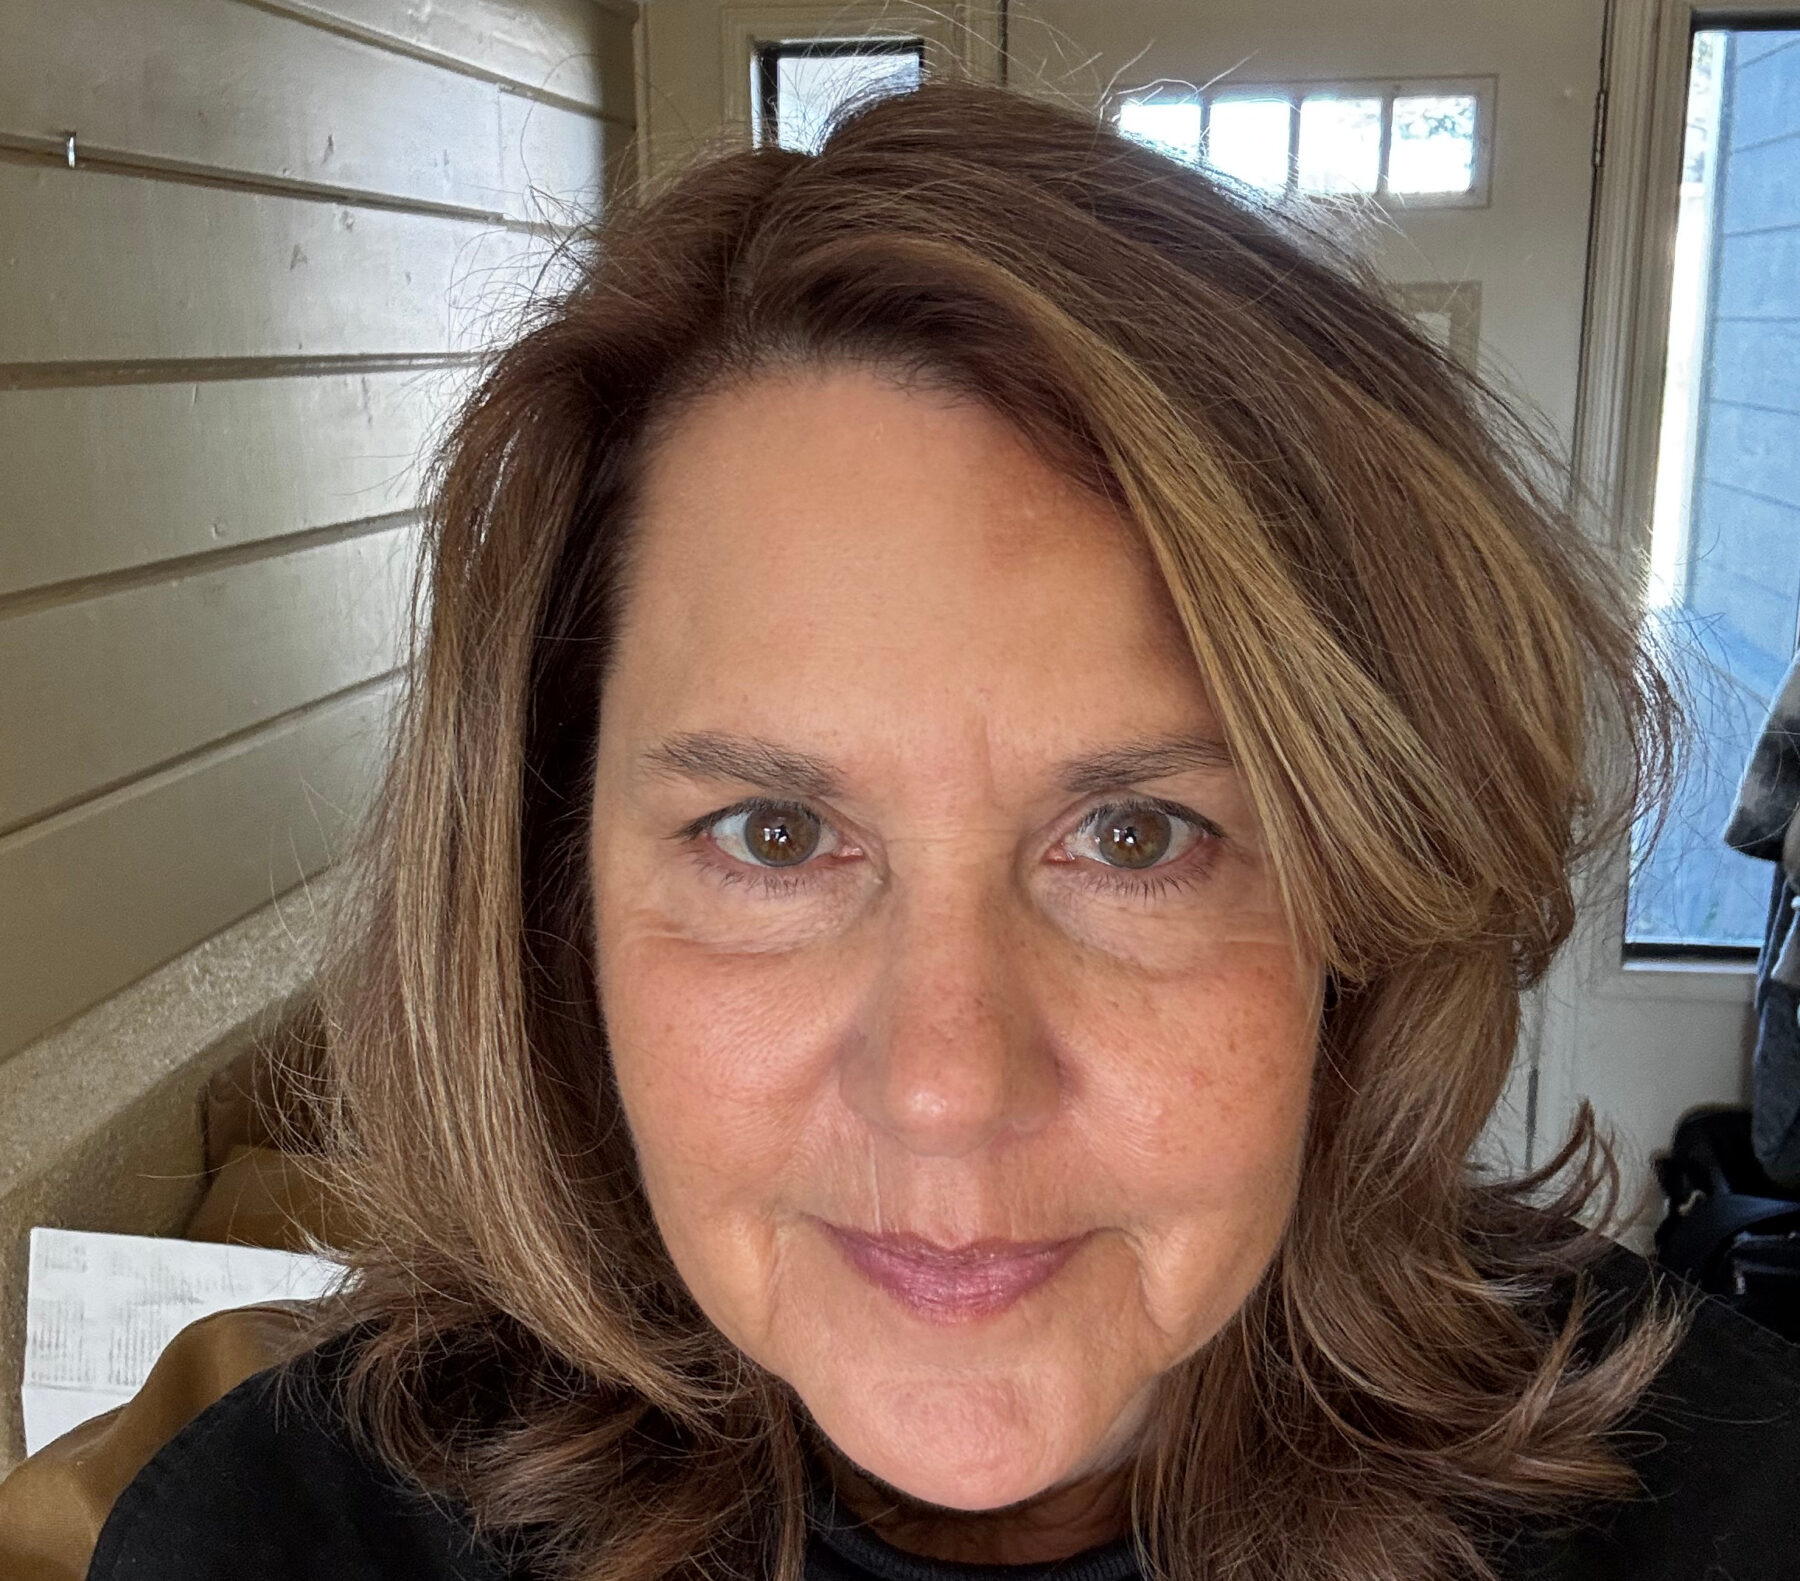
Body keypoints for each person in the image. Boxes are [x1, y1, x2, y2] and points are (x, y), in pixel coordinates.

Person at [6, 79, 1799, 1581]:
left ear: (1365, 897)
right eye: (774, 833)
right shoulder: (285, 1540)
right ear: (559, 894)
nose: (946, 1083)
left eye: (1142, 836)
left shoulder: (1727, 1512)